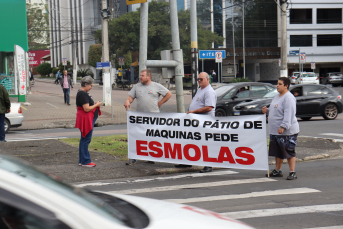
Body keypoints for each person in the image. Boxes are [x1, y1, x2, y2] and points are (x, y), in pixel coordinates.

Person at [124, 69, 172, 165]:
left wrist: (160, 103)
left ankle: (151, 157)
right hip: (140, 117)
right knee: (137, 137)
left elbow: (168, 94)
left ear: (148, 76)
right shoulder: (137, 87)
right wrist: (127, 101)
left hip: (153, 117)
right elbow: (131, 97)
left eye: (142, 75)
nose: (140, 77)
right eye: (140, 75)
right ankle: (134, 158)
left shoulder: (156, 86)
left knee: (152, 137)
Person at [175, 72, 217, 173]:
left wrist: (193, 111)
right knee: (191, 141)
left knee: (205, 143)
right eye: (198, 79)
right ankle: (188, 161)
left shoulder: (209, 92)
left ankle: (208, 165)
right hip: (196, 122)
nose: (199, 81)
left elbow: (209, 107)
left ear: (208, 79)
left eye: (201, 79)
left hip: (205, 123)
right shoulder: (200, 89)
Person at [262, 77, 299, 180]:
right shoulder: (276, 96)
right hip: (275, 131)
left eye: (279, 84)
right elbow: (275, 110)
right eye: (277, 83)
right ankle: (278, 170)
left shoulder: (289, 97)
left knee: (289, 151)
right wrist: (267, 110)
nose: (277, 85)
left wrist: (283, 126)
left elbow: (289, 114)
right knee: (277, 151)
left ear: (286, 86)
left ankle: (292, 172)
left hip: (287, 131)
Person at [75, 76, 102, 167]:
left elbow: (87, 106)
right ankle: (85, 161)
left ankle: (82, 160)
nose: (91, 87)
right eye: (91, 85)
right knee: (86, 139)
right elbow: (86, 109)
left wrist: (94, 104)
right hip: (87, 118)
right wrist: (97, 105)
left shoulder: (82, 93)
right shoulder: (83, 94)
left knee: (84, 139)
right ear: (86, 84)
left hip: (87, 118)